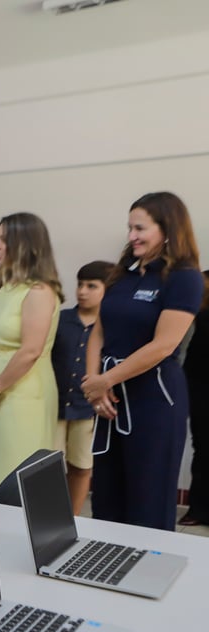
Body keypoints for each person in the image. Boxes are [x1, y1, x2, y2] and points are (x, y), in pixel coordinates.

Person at [82, 192, 204, 530]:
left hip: (154, 398)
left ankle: (147, 572)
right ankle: (103, 568)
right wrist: (94, 385)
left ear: (167, 230)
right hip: (109, 399)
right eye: (129, 227)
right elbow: (99, 333)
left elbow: (164, 345)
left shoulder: (184, 277)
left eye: (140, 228)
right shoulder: (123, 275)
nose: (132, 235)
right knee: (106, 497)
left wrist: (105, 381)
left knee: (148, 500)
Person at [0, 213, 63, 498]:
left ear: (25, 244)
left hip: (21, 394)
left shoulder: (40, 291)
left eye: (4, 239)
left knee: (12, 465)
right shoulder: (8, 285)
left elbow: (31, 350)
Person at [50, 260, 114, 515]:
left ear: (107, 290)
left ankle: (74, 518)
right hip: (54, 406)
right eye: (80, 284)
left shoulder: (110, 326)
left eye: (91, 286)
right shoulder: (61, 319)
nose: (82, 291)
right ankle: (48, 518)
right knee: (49, 467)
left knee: (81, 465)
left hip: (87, 409)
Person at [179, 270, 209, 525]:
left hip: (197, 385)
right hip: (198, 388)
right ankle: (198, 509)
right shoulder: (193, 315)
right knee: (202, 449)